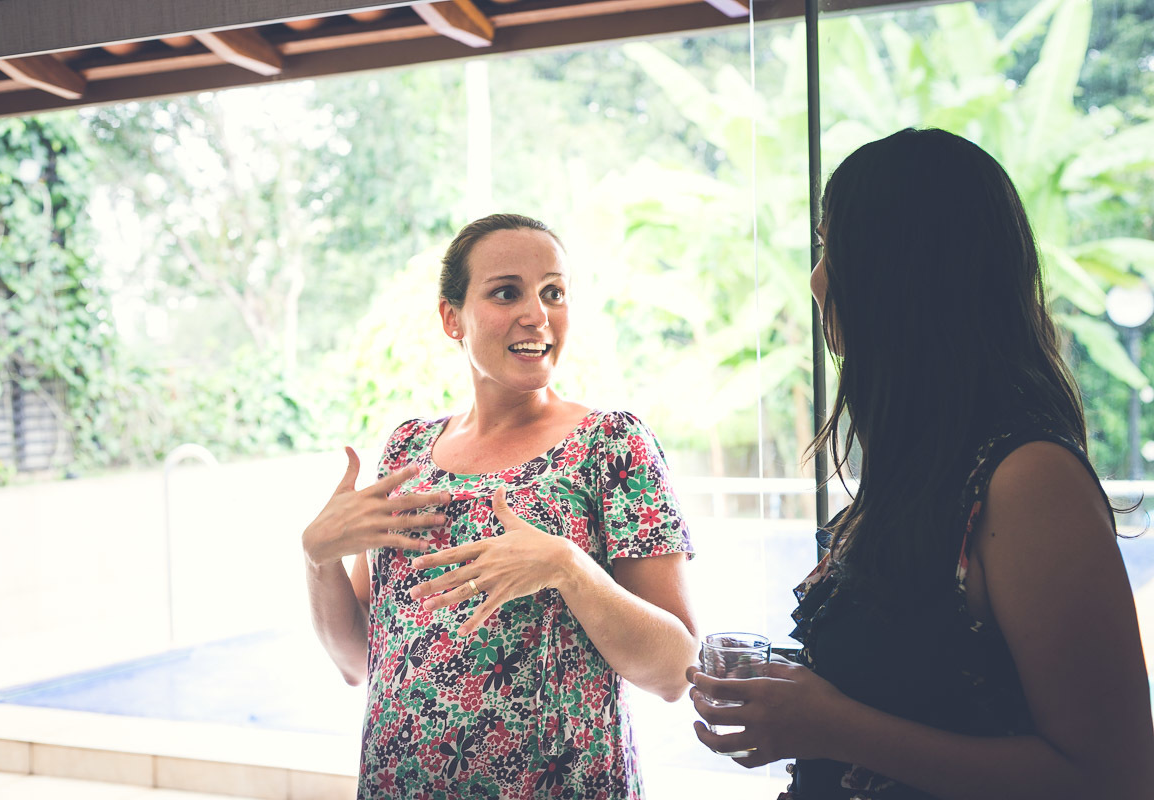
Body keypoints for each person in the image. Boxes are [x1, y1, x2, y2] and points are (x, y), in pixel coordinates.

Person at [688, 128, 1154, 799]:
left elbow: (1114, 778)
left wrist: (831, 725)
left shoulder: (1028, 480)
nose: (817, 279)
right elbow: (936, 685)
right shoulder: (926, 467)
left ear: (905, 269)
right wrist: (792, 699)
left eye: (830, 248)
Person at [303, 213, 698, 799]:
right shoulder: (408, 450)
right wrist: (318, 558)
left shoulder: (611, 444)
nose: (537, 314)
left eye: (553, 293)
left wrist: (567, 566)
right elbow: (358, 661)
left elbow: (675, 672)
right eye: (506, 292)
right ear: (451, 318)